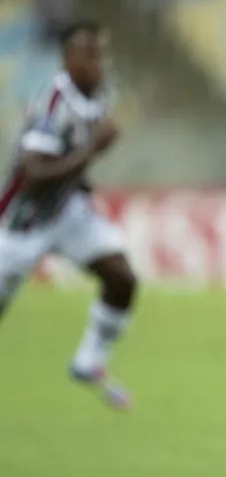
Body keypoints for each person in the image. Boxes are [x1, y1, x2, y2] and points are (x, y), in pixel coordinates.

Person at [0, 21, 137, 410]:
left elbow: (68, 153)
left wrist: (80, 181)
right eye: (89, 55)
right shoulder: (53, 103)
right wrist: (93, 150)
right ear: (67, 59)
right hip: (20, 224)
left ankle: (88, 361)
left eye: (101, 54)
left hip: (64, 212)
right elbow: (32, 175)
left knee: (121, 276)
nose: (98, 63)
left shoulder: (99, 95)